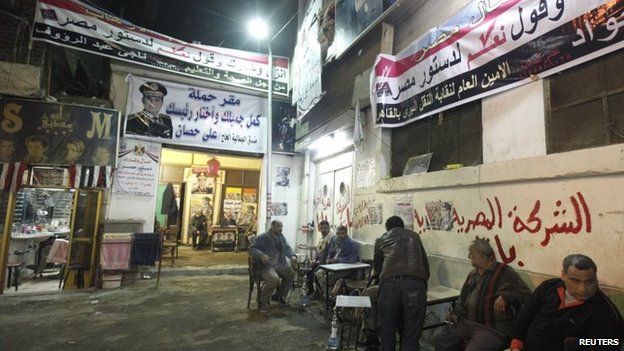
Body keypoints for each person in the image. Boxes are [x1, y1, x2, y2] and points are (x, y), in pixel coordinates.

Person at [433, 238, 531, 351]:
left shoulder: (504, 271)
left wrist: (505, 297)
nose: (469, 256)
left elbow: (527, 295)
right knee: (439, 337)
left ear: (482, 254)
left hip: (492, 328)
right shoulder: (473, 274)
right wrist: (456, 312)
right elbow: (462, 299)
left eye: (471, 253)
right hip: (468, 323)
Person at [510, 254, 624, 351]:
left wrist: (576, 343)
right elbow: (525, 316)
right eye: (575, 281)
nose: (583, 288)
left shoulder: (604, 310)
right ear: (563, 275)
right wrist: (516, 345)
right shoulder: (549, 287)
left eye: (589, 281)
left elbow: (612, 343)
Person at [373, 215, 429, 351]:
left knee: (387, 331)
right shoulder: (415, 237)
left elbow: (378, 268)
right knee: (411, 333)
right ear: (403, 226)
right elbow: (425, 265)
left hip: (389, 286)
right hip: (415, 286)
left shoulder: (381, 239)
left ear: (387, 229)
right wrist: (422, 286)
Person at [248, 220, 297, 312]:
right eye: (279, 226)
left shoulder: (281, 237)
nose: (281, 229)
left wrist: (292, 256)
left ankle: (278, 295)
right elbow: (251, 249)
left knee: (291, 274)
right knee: (274, 279)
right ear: (272, 226)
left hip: (278, 265)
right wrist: (261, 255)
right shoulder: (262, 237)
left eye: (281, 227)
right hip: (264, 267)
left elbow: (287, 248)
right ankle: (262, 301)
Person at [314, 225, 359, 297]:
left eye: (342, 233)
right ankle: (330, 296)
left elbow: (352, 258)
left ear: (346, 234)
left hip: (344, 269)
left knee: (327, 278)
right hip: (332, 267)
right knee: (318, 273)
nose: (340, 236)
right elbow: (330, 252)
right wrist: (328, 260)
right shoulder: (335, 240)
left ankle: (331, 296)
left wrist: (337, 260)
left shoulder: (352, 244)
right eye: (338, 234)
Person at [305, 220, 334, 297]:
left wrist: (319, 263)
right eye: (321, 228)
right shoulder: (322, 238)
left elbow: (328, 254)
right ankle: (311, 291)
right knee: (308, 272)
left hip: (327, 263)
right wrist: (314, 260)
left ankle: (317, 292)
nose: (323, 230)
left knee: (314, 273)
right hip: (320, 261)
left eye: (325, 228)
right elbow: (318, 250)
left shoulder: (331, 239)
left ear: (329, 228)